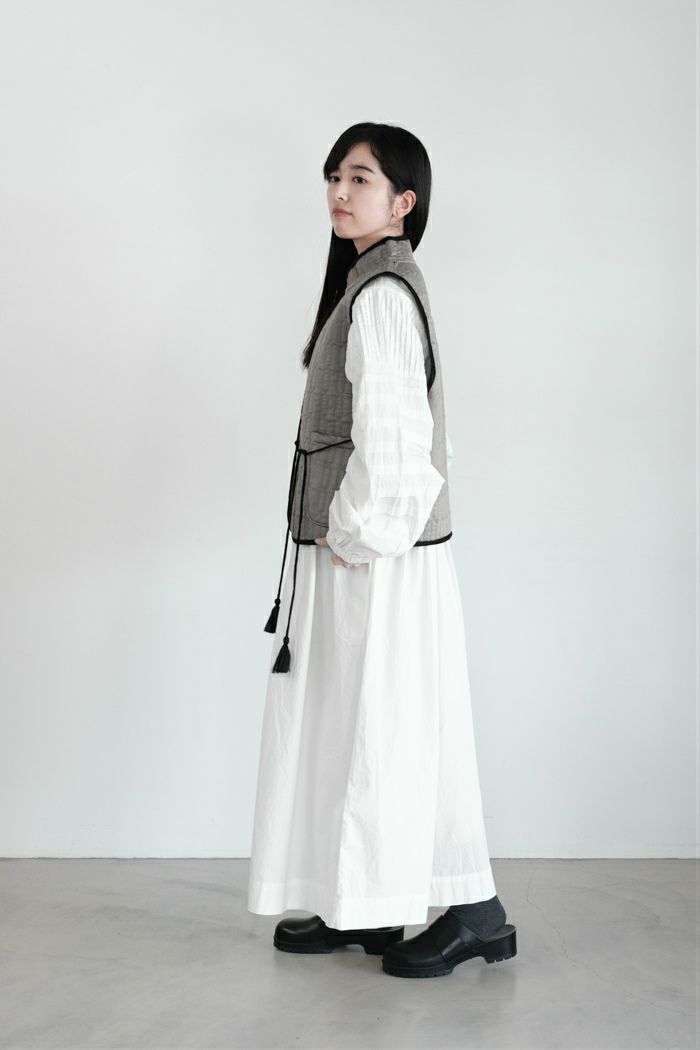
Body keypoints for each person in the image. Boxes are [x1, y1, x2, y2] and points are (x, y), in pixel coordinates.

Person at [247, 122, 517, 979]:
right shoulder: (364, 284)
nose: (338, 191)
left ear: (404, 202)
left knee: (395, 727)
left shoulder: (385, 295)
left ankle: (475, 911)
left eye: (359, 178)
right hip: (359, 555)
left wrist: (357, 537)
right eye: (333, 175)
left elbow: (401, 447)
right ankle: (364, 903)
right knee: (356, 727)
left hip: (378, 560)